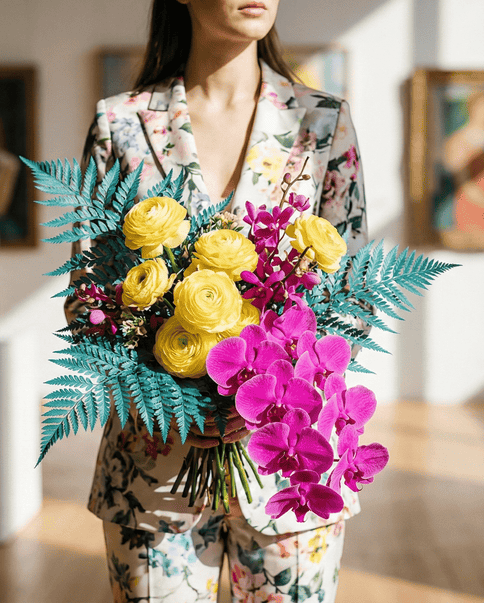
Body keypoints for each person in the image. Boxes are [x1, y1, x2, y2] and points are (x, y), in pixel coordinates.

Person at [73, 1, 367, 601]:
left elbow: (350, 301)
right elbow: (89, 298)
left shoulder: (324, 123)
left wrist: (265, 400)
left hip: (292, 467)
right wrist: (173, 397)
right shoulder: (121, 123)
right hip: (152, 465)